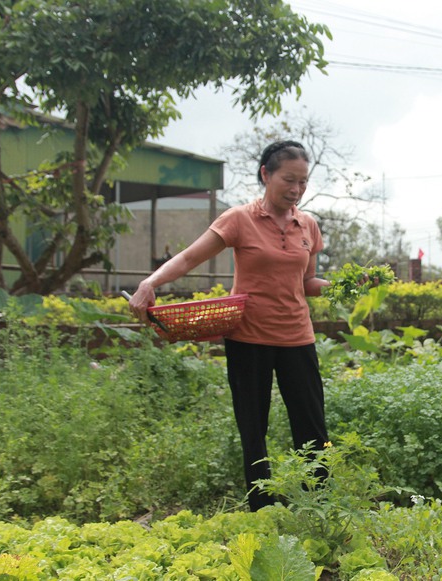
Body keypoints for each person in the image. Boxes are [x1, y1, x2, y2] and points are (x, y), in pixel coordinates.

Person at [127, 140, 331, 511]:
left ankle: (318, 504)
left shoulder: (309, 225)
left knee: (313, 427)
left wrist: (345, 285)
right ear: (266, 175)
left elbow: (307, 283)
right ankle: (263, 509)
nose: (297, 189)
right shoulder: (239, 219)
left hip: (297, 338)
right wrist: (150, 283)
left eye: (303, 182)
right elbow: (189, 257)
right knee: (254, 428)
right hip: (249, 339)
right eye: (289, 179)